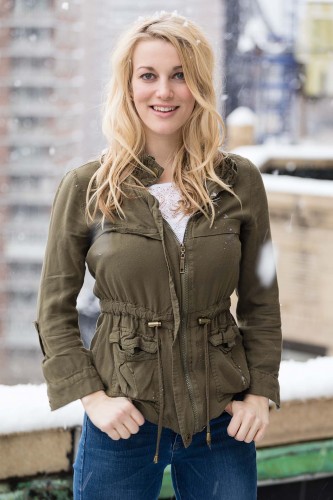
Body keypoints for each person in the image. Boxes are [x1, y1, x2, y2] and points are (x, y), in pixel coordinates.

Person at [35, 11, 282, 500]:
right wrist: (93, 397)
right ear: (128, 87)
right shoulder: (88, 186)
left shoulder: (239, 182)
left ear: (200, 86)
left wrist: (259, 393)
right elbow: (52, 311)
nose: (163, 92)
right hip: (122, 422)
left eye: (179, 75)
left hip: (222, 423)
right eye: (148, 76)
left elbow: (262, 299)